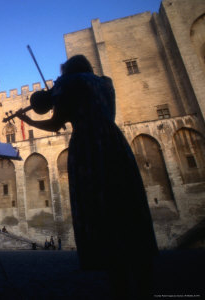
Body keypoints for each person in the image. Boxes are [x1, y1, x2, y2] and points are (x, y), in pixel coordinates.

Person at [15, 55, 158, 299]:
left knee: (98, 204)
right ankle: (141, 268)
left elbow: (54, 123)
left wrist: (28, 119)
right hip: (114, 141)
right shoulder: (106, 83)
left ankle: (115, 272)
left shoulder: (68, 85)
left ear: (68, 71)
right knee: (125, 201)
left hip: (88, 145)